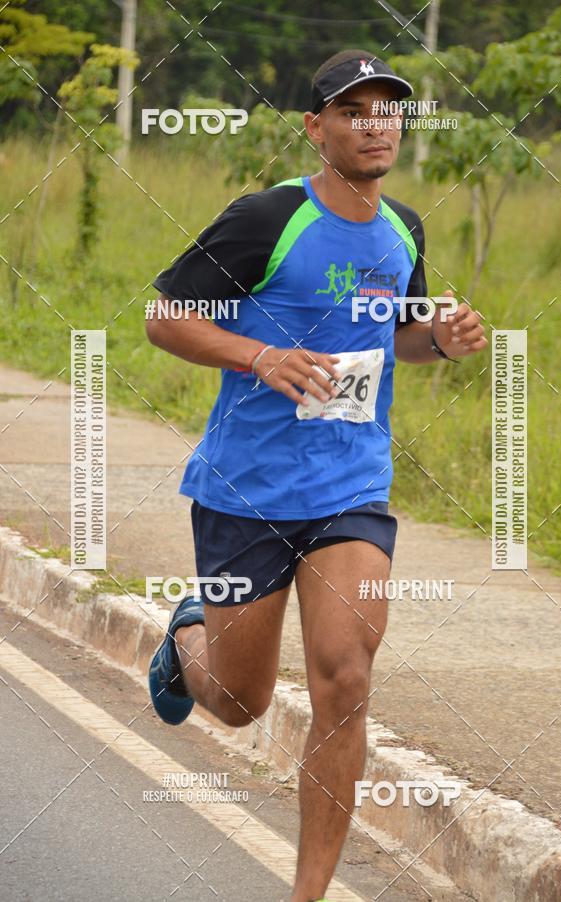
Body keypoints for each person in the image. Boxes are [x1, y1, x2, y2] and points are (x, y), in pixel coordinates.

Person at [146, 49, 487, 902]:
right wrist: (261, 355)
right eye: (353, 110)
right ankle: (189, 639)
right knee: (238, 702)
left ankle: (307, 894)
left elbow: (398, 334)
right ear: (316, 128)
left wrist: (438, 339)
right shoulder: (267, 218)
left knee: (346, 676)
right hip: (247, 489)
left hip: (350, 486)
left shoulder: (404, 227)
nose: (375, 124)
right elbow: (164, 316)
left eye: (388, 110)